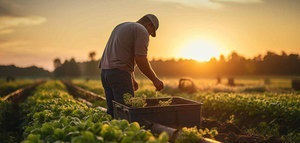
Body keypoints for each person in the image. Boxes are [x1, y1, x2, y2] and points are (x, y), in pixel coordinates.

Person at [99, 14, 164, 117]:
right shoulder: (142, 30)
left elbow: (124, 54)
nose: (149, 35)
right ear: (149, 25)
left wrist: (131, 78)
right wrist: (155, 79)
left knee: (112, 113)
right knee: (125, 114)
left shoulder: (121, 26)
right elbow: (140, 59)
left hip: (105, 72)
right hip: (119, 75)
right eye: (151, 32)